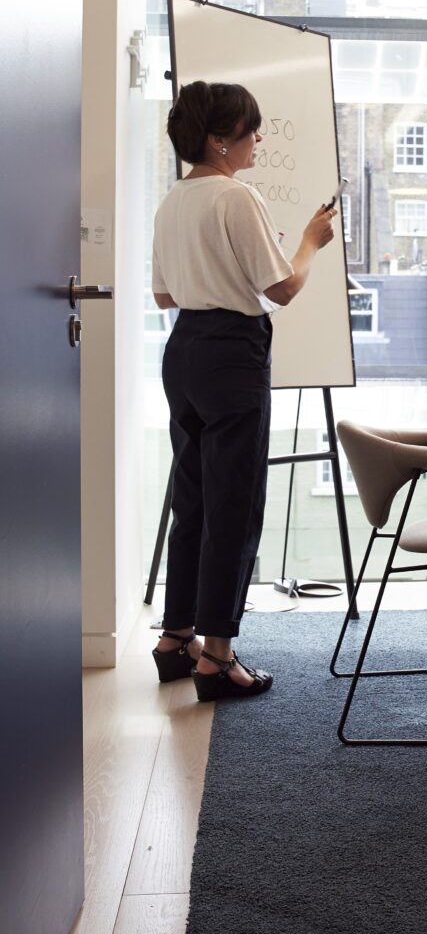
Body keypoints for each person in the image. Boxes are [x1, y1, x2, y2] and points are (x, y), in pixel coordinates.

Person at [150, 80, 336, 701]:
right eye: (251, 130)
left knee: (194, 498)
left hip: (184, 350)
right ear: (219, 140)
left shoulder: (173, 201)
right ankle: (219, 658)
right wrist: (309, 242)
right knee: (234, 502)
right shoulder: (236, 196)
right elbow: (281, 289)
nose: (258, 138)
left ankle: (176, 638)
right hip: (233, 353)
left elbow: (164, 295)